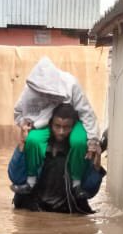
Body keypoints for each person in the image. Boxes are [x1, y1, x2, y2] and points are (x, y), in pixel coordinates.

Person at [14, 57, 100, 196]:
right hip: (42, 122)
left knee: (79, 142)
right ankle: (31, 181)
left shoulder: (71, 84)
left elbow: (86, 113)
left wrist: (92, 140)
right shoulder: (30, 90)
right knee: (33, 140)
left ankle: (76, 183)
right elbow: (18, 113)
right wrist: (24, 126)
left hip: (71, 121)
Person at [8, 103, 106, 214]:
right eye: (57, 126)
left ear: (74, 127)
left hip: (66, 211)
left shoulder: (79, 150)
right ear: (50, 124)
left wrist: (96, 164)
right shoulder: (36, 146)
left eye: (66, 127)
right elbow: (16, 178)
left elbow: (89, 190)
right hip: (33, 208)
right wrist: (22, 144)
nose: (61, 132)